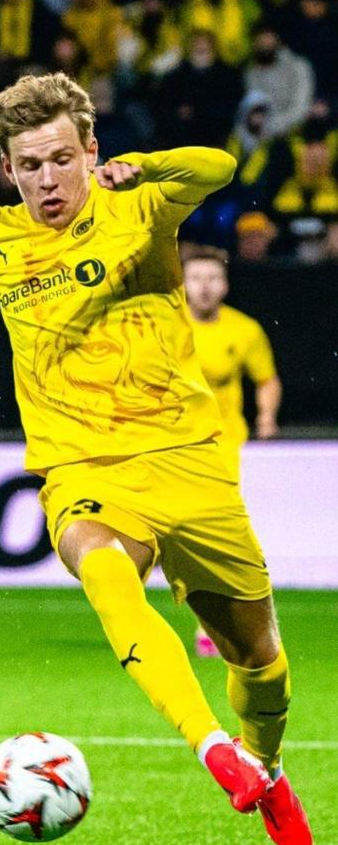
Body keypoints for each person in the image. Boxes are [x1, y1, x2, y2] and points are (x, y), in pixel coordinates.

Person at [0, 71, 312, 845]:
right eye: (30, 165)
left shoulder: (140, 205)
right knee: (103, 567)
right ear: (8, 169)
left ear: (91, 151)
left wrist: (145, 164)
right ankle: (211, 747)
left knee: (261, 664)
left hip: (188, 460)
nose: (49, 179)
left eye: (62, 158)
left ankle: (264, 763)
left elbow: (220, 167)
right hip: (82, 466)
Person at [182, 244, 282, 655]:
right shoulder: (164, 325)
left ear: (225, 284)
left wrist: (266, 418)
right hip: (168, 443)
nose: (204, 286)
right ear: (182, 284)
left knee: (212, 538)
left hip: (221, 447)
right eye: (195, 278)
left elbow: (266, 379)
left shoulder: (244, 330)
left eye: (212, 278)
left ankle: (210, 624)